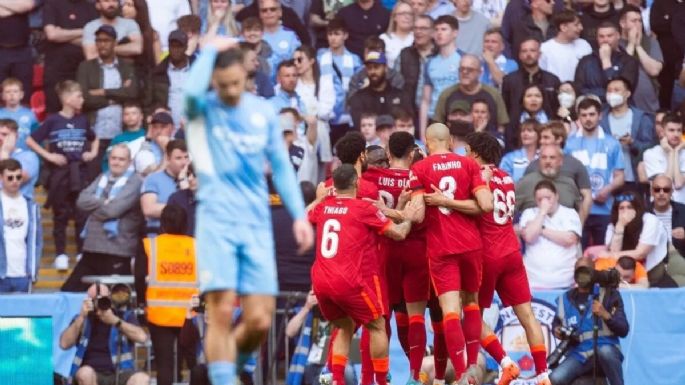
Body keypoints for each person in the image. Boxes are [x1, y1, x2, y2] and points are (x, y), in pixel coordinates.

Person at [184, 38, 313, 385]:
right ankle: (226, 379)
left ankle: (227, 371)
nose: (229, 91)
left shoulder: (263, 113)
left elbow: (282, 168)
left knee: (259, 319)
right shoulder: (204, 108)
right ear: (214, 81)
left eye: (235, 83)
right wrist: (209, 50)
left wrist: (299, 214)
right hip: (216, 222)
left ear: (245, 74)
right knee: (222, 311)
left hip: (256, 223)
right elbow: (189, 93)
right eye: (222, 84)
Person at [307, 164, 414, 385]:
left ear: (333, 186)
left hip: (320, 281)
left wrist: (318, 199)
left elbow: (304, 214)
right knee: (376, 324)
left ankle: (336, 379)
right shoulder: (362, 208)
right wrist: (409, 217)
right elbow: (398, 233)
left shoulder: (323, 207)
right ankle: (382, 381)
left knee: (343, 326)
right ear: (356, 183)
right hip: (347, 280)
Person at [405, 123, 494, 384]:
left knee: (450, 312)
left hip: (442, 249)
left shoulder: (419, 169)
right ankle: (471, 369)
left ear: (426, 141)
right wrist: (455, 201)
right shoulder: (469, 165)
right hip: (471, 246)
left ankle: (462, 372)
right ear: (451, 140)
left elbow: (419, 214)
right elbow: (486, 204)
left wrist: (401, 209)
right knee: (471, 304)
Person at [464, 132, 551, 385]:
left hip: (487, 255)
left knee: (470, 315)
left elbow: (476, 206)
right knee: (527, 315)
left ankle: (504, 363)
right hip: (511, 252)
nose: (465, 156)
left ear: (477, 154)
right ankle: (543, 375)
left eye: (468, 151)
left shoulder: (478, 177)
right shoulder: (508, 177)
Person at [362, 131, 429, 384]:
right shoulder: (419, 178)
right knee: (415, 317)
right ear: (412, 153)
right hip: (416, 252)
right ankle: (414, 376)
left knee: (380, 318)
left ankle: (379, 374)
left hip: (385, 251)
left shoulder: (372, 177)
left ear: (388, 154)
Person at [26, 80, 98, 270]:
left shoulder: (82, 120)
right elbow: (31, 140)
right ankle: (61, 253)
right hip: (60, 174)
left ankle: (82, 252)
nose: (82, 99)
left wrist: (92, 153)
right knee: (61, 214)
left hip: (80, 173)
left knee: (81, 213)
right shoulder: (52, 120)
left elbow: (94, 137)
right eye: (79, 96)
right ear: (66, 99)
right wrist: (49, 155)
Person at [61, 144, 143, 292]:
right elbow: (81, 201)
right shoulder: (102, 177)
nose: (116, 162)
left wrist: (93, 211)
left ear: (129, 162)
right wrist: (102, 202)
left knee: (114, 302)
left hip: (118, 252)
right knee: (68, 293)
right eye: (113, 158)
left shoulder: (136, 181)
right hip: (91, 250)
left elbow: (113, 210)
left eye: (121, 159)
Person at [142, 204, 199, 385]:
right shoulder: (197, 246)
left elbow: (138, 278)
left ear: (163, 223)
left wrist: (143, 305)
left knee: (164, 365)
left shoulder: (150, 245)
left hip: (159, 315)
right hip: (191, 315)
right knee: (195, 365)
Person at [549, 257, 629, 385]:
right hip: (580, 353)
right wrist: (557, 331)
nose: (582, 275)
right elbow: (556, 325)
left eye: (586, 270)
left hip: (606, 346)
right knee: (554, 378)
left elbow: (624, 330)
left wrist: (605, 314)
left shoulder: (608, 294)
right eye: (579, 271)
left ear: (594, 272)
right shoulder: (566, 299)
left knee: (605, 352)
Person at [77, 25, 139, 181]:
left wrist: (104, 92)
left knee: (121, 179)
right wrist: (116, 97)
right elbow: (84, 99)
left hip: (120, 133)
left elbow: (132, 93)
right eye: (98, 40)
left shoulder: (126, 67)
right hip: (95, 133)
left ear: (115, 42)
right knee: (92, 178)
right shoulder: (86, 67)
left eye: (106, 40)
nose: (102, 44)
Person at [59, 283, 149, 385]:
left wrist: (115, 321)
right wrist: (81, 317)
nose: (99, 304)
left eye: (103, 299)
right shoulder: (82, 320)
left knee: (141, 379)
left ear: (110, 298)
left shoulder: (123, 316)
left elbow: (142, 337)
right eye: (94, 300)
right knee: (85, 374)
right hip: (91, 372)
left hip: (121, 371)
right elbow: (64, 344)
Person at [565, 98, 625, 247]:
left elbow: (620, 177)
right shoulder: (569, 143)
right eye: (584, 115)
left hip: (604, 209)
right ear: (578, 117)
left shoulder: (612, 143)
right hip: (577, 210)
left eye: (592, 114)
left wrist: (607, 189)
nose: (588, 119)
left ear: (600, 115)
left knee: (603, 255)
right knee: (578, 257)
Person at [524, 121, 593, 223]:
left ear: (559, 139)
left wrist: (579, 224)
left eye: (546, 137)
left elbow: (587, 195)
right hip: (538, 223)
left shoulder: (575, 164)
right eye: (541, 138)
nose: (541, 141)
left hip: (567, 224)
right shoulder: (533, 166)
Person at [520, 179, 583, 289]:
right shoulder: (529, 213)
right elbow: (529, 237)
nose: (544, 202)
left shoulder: (570, 213)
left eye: (548, 198)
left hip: (565, 283)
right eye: (540, 199)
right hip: (532, 283)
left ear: (556, 196)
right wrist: (542, 212)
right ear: (535, 200)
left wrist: (542, 229)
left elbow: (569, 239)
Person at [501, 38, 560, 149]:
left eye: (532, 50)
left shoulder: (552, 80)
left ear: (539, 54)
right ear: (519, 55)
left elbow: (556, 110)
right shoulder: (509, 80)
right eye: (524, 51)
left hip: (547, 138)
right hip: (516, 137)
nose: (528, 54)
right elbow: (506, 109)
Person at [42, 0, 98, 113]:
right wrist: (84, 31)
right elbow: (52, 35)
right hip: (56, 70)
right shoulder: (52, 4)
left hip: (82, 70)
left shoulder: (91, 7)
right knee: (55, 111)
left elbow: (94, 39)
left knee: (82, 111)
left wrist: (63, 34)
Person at [433, 54, 509, 136]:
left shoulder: (494, 94)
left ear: (480, 72)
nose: (465, 72)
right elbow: (437, 126)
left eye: (470, 69)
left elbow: (501, 126)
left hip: (485, 144)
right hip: (454, 144)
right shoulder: (446, 94)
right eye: (462, 69)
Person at [605, 191, 670, 286]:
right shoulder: (612, 226)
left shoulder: (650, 220)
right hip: (623, 273)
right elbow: (613, 257)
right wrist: (620, 226)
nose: (625, 211)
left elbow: (641, 253)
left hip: (652, 272)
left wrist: (611, 255)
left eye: (630, 207)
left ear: (637, 208)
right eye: (621, 208)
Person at [600, 77, 656, 187]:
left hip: (633, 178)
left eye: (617, 90)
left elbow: (650, 148)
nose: (612, 94)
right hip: (607, 180)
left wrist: (632, 142)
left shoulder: (641, 118)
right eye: (609, 91)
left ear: (627, 94)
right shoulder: (601, 119)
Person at [317, 18, 362, 145]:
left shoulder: (355, 60)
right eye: (330, 34)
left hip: (348, 117)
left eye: (337, 34)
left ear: (345, 35)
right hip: (326, 116)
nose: (333, 38)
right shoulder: (319, 59)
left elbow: (359, 86)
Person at [0, 159, 41, 294]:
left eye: (18, 177)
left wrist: (32, 271)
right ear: (1, 177)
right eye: (10, 178)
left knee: (24, 315)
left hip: (23, 274)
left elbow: (36, 242)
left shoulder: (30, 205)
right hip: (2, 273)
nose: (15, 181)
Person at [418, 15, 461, 139]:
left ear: (455, 33)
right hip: (435, 118)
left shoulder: (463, 60)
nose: (439, 33)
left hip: (457, 117)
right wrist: (422, 135)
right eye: (436, 30)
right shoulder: (430, 62)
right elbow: (425, 100)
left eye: (443, 29)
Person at [516, 144, 585, 219]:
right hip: (534, 228)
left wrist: (578, 228)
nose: (548, 161)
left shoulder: (570, 183)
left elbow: (579, 210)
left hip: (564, 230)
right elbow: (510, 210)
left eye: (552, 158)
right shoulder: (526, 182)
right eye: (544, 157)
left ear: (560, 161)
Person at [574, 22, 639, 102]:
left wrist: (606, 62)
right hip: (592, 110)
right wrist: (606, 95)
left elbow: (623, 92)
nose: (605, 40)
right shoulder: (585, 61)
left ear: (618, 36)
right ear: (597, 38)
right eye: (601, 36)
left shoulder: (629, 61)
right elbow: (579, 90)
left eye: (609, 36)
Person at [348, 51, 410, 129]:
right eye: (369, 68)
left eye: (376, 67)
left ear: (386, 68)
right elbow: (360, 126)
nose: (373, 71)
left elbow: (406, 123)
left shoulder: (401, 96)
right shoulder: (358, 98)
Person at [619, 5, 663, 113]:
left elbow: (654, 71)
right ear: (622, 23)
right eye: (633, 21)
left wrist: (638, 46)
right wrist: (631, 44)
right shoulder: (616, 43)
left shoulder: (651, 42)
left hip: (649, 106)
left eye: (640, 21)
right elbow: (622, 70)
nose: (638, 24)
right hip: (623, 106)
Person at [140, 139, 189, 235]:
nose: (184, 162)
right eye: (178, 158)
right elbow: (148, 209)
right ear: (167, 158)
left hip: (186, 238)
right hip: (158, 236)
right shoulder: (154, 179)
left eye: (186, 157)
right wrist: (182, 209)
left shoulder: (193, 179)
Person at [149, 30, 194, 131]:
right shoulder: (158, 72)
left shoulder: (198, 69)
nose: (175, 50)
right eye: (172, 46)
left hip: (194, 125)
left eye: (179, 46)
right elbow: (149, 101)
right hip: (167, 128)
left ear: (186, 47)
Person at [648, 174, 685, 286]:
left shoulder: (683, 210)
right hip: (652, 260)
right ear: (651, 192)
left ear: (672, 192)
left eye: (666, 189)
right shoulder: (644, 212)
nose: (661, 193)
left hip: (679, 256)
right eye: (657, 189)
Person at [395, 15, 435, 115]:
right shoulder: (404, 55)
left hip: (434, 113)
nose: (418, 32)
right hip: (409, 114)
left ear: (433, 32)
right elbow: (395, 86)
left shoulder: (440, 55)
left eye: (423, 28)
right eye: (415, 28)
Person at [642, 114, 685, 204]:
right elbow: (664, 184)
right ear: (662, 131)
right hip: (659, 207)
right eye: (671, 130)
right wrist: (670, 153)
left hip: (682, 206)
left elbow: (678, 183)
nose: (676, 134)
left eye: (679, 130)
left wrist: (676, 152)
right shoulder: (650, 154)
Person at [539, 10, 592, 83]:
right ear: (563, 27)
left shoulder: (584, 45)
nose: (581, 28)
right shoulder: (545, 48)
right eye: (576, 25)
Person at [0, 0, 34, 105]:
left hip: (22, 50)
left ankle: (22, 120)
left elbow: (27, 5)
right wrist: (16, 8)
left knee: (23, 94)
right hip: (1, 51)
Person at [0, 118, 40, 199]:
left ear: (16, 136)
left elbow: (11, 181)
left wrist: (5, 153)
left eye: (4, 134)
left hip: (18, 208)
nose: (0, 138)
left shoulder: (29, 156)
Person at [258, 0, 301, 74]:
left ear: (280, 12)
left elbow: (299, 62)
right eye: (264, 10)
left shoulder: (290, 35)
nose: (269, 12)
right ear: (260, 14)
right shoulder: (253, 36)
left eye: (273, 9)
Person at [102, 102, 147, 172]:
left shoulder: (147, 136)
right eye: (126, 114)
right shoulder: (118, 139)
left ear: (141, 116)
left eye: (134, 113)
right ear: (122, 118)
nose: (130, 117)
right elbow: (106, 162)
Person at [281, 107, 318, 184]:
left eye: (289, 119)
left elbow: (312, 121)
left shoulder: (305, 142)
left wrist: (300, 117)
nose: (286, 122)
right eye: (283, 119)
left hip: (306, 192)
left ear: (297, 121)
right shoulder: (277, 144)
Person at [0, 78, 39, 149]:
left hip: (25, 154)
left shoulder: (30, 114)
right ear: (3, 96)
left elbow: (36, 137)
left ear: (21, 95)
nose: (12, 94)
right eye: (8, 92)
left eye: (15, 91)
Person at [134, 110, 174, 176]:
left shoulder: (181, 145)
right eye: (155, 127)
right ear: (151, 129)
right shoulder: (144, 150)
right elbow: (155, 178)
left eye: (163, 127)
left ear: (172, 128)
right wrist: (167, 151)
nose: (158, 131)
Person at [499, 119, 539, 183]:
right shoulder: (509, 158)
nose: (525, 134)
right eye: (523, 131)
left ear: (538, 135)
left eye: (529, 131)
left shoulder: (544, 157)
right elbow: (503, 182)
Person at [380, 1, 415, 69]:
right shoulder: (384, 39)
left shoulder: (417, 37)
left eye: (410, 14)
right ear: (394, 17)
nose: (407, 17)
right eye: (402, 13)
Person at [167, 164, 197, 236]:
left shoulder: (218, 200)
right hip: (181, 245)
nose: (190, 178)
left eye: (195, 175)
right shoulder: (176, 199)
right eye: (188, 174)